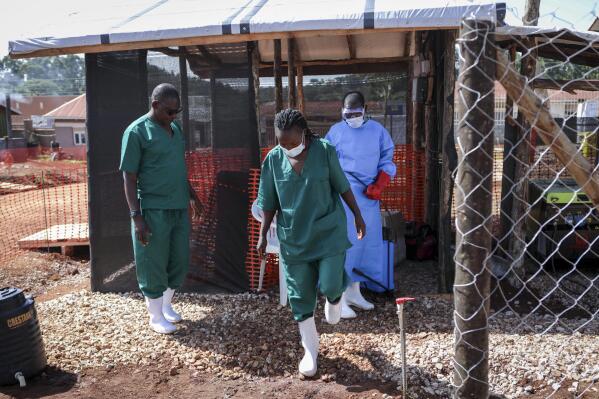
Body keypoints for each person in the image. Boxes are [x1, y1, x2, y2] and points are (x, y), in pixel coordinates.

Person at [256, 109, 365, 377]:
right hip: (294, 239)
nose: (288, 148)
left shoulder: (324, 150)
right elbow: (268, 202)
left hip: (328, 232)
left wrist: (358, 215)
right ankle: (310, 352)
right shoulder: (272, 160)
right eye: (282, 143)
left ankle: (336, 295)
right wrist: (261, 235)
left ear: (304, 134)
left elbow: (342, 186)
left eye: (292, 143)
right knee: (300, 298)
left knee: (329, 283)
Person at [120, 83, 202, 334]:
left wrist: (192, 195)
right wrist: (137, 217)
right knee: (153, 262)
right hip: (152, 208)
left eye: (177, 111)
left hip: (178, 206)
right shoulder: (136, 132)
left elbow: (177, 168)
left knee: (178, 259)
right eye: (169, 111)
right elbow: (129, 177)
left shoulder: (175, 129)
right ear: (155, 105)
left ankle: (166, 306)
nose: (174, 116)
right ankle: (155, 316)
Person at [325, 91, 396, 319]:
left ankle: (355, 291)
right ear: (341, 110)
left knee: (367, 243)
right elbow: (325, 161)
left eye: (356, 113)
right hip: (344, 194)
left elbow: (387, 157)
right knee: (346, 244)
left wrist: (381, 181)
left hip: (369, 195)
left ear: (365, 109)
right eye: (348, 113)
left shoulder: (377, 131)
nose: (352, 117)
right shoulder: (335, 132)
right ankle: (339, 298)